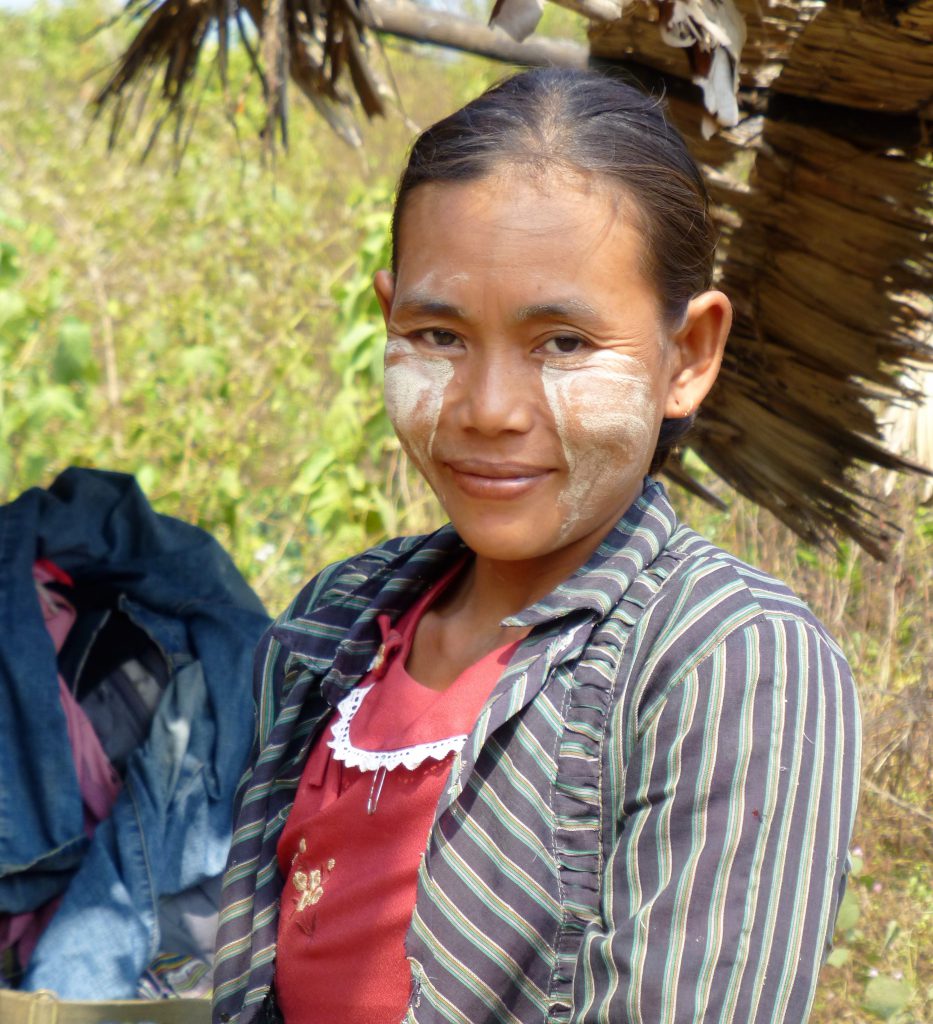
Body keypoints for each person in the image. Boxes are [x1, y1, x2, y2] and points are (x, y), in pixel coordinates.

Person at [212, 68, 860, 1024]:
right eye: (438, 334)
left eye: (561, 343)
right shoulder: (336, 622)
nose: (489, 410)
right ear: (387, 315)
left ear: (688, 356)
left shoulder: (728, 660)